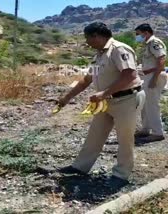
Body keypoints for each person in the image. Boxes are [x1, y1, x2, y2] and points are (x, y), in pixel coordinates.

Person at [57, 22, 145, 185]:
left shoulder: (119, 49)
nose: (87, 42)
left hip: (126, 99)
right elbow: (86, 80)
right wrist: (66, 98)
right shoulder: (98, 55)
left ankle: (121, 175)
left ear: (96, 35)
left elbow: (129, 75)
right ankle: (80, 167)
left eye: (87, 38)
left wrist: (104, 93)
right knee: (95, 134)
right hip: (106, 101)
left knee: (124, 139)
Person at [134, 24, 167, 143]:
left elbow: (161, 59)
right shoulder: (148, 44)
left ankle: (158, 132)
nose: (137, 36)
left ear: (146, 32)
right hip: (148, 76)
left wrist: (154, 78)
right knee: (145, 103)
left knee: (152, 104)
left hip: (155, 76)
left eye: (138, 34)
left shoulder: (154, 42)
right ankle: (146, 129)